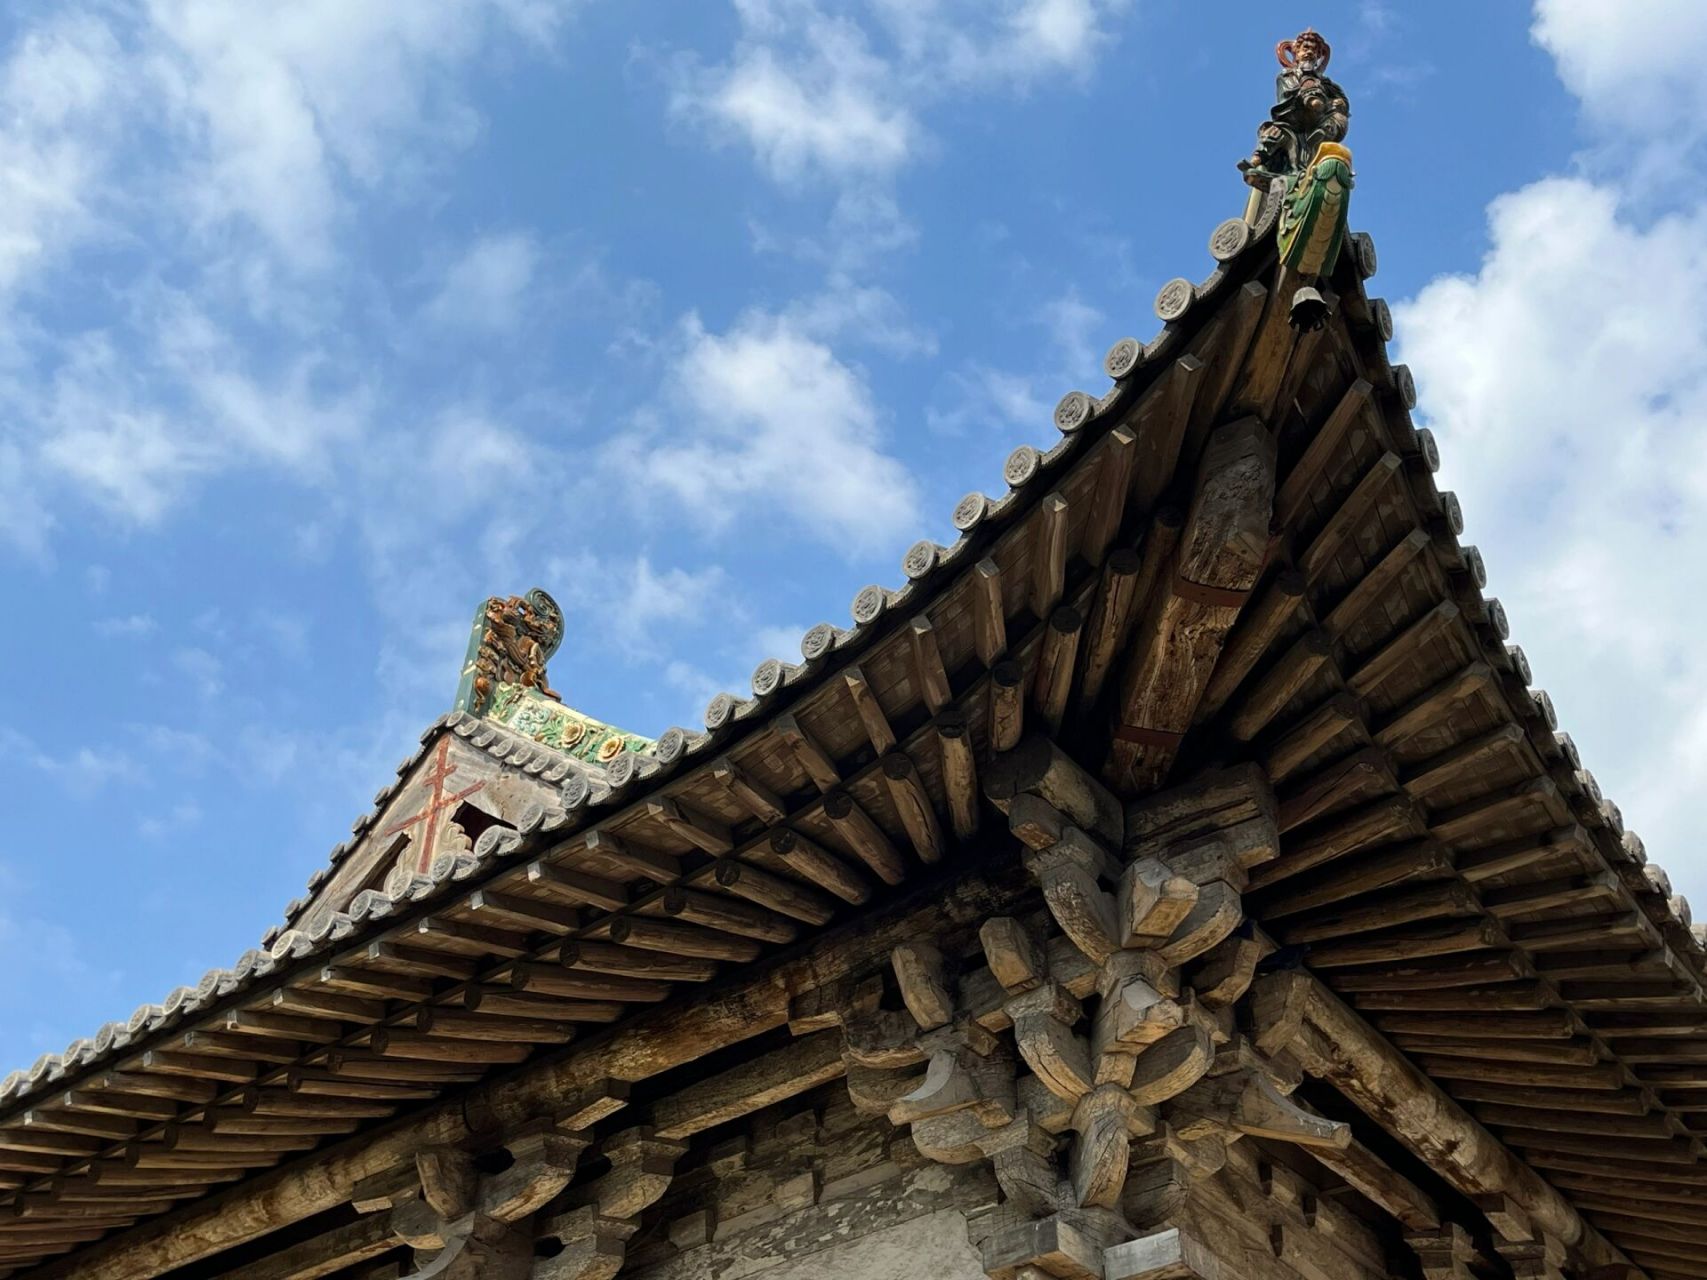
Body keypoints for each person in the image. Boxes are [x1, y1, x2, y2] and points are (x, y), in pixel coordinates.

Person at [1239, 29, 1349, 189]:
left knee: (1339, 119)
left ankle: (1321, 137)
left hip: (1318, 122)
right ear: (1296, 53)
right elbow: (1287, 97)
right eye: (1305, 48)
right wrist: (1306, 95)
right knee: (1274, 131)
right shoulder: (1287, 76)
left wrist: (1337, 104)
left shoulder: (1326, 83)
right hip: (1292, 120)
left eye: (1314, 51)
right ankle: (1257, 160)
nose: (1309, 53)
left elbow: (1342, 101)